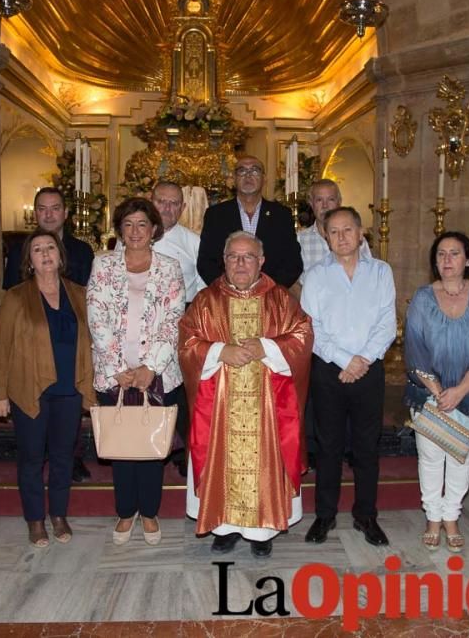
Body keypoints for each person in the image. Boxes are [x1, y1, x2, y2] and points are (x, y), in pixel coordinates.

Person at [179, 231, 313, 558]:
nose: (240, 263)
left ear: (261, 261)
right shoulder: (206, 300)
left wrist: (267, 347)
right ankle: (223, 527)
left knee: (264, 459)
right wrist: (218, 352)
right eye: (233, 256)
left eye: (248, 256)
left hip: (268, 405)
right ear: (223, 261)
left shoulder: (280, 298)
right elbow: (186, 342)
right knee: (220, 457)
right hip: (219, 405)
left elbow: (303, 336)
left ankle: (262, 530)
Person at [86, 197, 185, 546]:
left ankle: (150, 512)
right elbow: (96, 317)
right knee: (123, 446)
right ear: (120, 230)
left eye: (142, 224)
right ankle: (126, 512)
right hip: (114, 375)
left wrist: (150, 368)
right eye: (128, 224)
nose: (135, 231)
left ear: (154, 229)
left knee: (150, 447)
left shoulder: (170, 267)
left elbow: (173, 320)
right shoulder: (103, 265)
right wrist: (119, 370)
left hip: (157, 374)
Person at [0, 230, 94, 548]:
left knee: (64, 457)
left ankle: (59, 515)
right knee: (32, 458)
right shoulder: (16, 296)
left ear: (61, 256)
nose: (45, 253)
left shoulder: (80, 293)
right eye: (37, 249)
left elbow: (93, 340)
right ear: (29, 260)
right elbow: (1, 347)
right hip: (29, 389)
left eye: (51, 247)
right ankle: (35, 520)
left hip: (69, 388)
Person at [300, 207, 396, 547]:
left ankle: (366, 515)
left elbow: (387, 322)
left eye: (347, 230)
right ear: (326, 237)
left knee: (367, 447)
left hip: (369, 370)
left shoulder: (381, 272)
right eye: (334, 232)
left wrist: (363, 360)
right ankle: (324, 515)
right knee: (328, 446)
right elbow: (312, 328)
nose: (341, 237)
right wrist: (345, 361)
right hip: (329, 370)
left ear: (360, 234)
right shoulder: (315, 276)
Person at [404, 231, 469, 553]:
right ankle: (432, 518)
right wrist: (438, 390)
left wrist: (459, 391)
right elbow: (414, 348)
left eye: (454, 253)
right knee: (430, 458)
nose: (446, 260)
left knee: (461, 457)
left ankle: (451, 518)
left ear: (467, 260)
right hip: (429, 394)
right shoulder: (421, 298)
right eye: (441, 254)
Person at [3, 186, 95, 482]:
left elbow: (87, 301)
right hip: (32, 344)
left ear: (66, 213)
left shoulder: (82, 250)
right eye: (42, 208)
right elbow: (10, 300)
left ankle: (72, 460)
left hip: (70, 336)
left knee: (65, 442)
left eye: (55, 208)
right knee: (31, 449)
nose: (49, 214)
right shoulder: (19, 249)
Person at [150, 181, 205, 477]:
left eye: (174, 203)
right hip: (143, 322)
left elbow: (205, 287)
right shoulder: (134, 234)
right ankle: (151, 445)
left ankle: (183, 448)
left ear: (183, 208)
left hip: (183, 319)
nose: (167, 209)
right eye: (161, 201)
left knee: (182, 387)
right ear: (151, 200)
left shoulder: (193, 242)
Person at [197, 155, 303, 288]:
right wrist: (229, 289)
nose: (248, 176)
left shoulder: (281, 215)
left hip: (270, 297)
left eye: (254, 171)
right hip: (227, 296)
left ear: (264, 178)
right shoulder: (216, 215)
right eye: (242, 171)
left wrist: (269, 290)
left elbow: (293, 262)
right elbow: (206, 261)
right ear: (234, 179)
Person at [297, 179, 371, 284]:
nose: (325, 206)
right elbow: (294, 282)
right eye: (319, 200)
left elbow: (368, 275)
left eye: (330, 199)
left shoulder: (356, 239)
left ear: (339, 202)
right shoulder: (300, 240)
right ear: (311, 203)